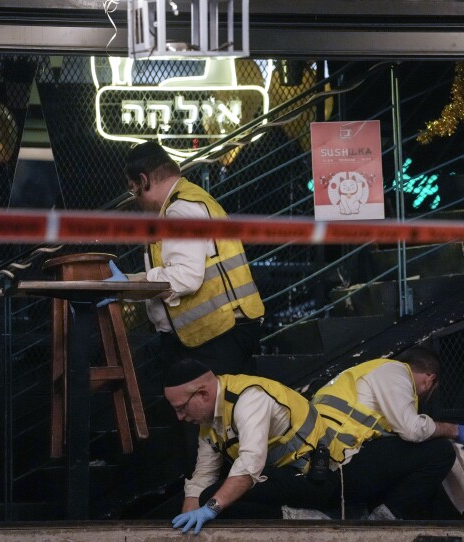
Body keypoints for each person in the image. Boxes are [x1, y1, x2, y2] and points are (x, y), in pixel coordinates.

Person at [104, 140, 265, 376]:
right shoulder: (190, 201)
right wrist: (129, 283)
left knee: (205, 410)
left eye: (133, 189)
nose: (135, 199)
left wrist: (130, 285)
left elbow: (186, 277)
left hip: (216, 335)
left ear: (144, 181)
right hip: (222, 330)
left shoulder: (180, 210)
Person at [163, 358, 342, 534]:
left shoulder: (249, 399)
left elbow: (249, 465)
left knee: (216, 502)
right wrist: (186, 524)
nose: (180, 417)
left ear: (203, 394)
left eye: (182, 408)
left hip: (314, 478)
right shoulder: (209, 419)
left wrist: (209, 508)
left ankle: (303, 518)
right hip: (276, 476)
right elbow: (204, 472)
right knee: (200, 500)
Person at [310, 345, 464, 519]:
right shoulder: (396, 372)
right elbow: (412, 430)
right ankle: (385, 519)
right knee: (441, 452)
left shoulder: (368, 372)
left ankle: (360, 511)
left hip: (322, 462)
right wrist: (453, 430)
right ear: (429, 379)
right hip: (337, 466)